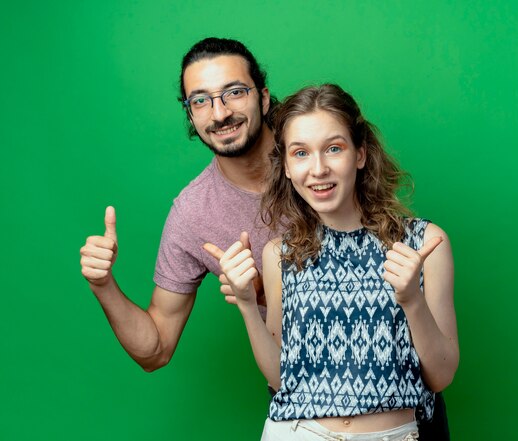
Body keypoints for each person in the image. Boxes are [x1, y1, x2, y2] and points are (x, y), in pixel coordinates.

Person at [207, 84, 458, 440]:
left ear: (360, 154)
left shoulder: (425, 243)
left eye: (334, 148)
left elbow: (441, 376)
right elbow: (281, 380)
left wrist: (412, 302)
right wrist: (248, 305)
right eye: (301, 153)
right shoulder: (281, 254)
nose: (319, 169)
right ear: (288, 168)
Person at [79, 37, 276, 371]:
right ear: (189, 113)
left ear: (264, 97)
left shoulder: (318, 157)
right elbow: (156, 350)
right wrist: (103, 285)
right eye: (200, 100)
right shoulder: (193, 214)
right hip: (296, 396)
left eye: (235, 92)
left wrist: (264, 292)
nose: (220, 113)